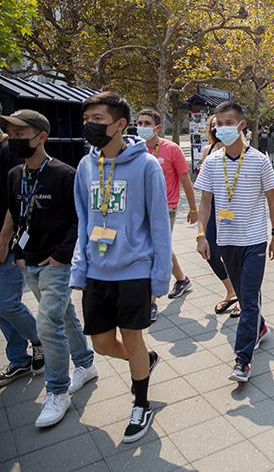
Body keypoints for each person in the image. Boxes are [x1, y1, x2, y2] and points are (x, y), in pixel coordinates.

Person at [71, 91, 171, 442]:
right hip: (96, 270)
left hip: (134, 269)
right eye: (88, 119)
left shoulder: (146, 166)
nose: (90, 125)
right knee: (100, 344)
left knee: (133, 337)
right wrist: (79, 269)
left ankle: (140, 402)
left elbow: (159, 224)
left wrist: (160, 277)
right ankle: (144, 359)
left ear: (119, 124)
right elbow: (83, 220)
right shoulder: (86, 166)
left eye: (98, 119)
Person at [4, 109, 96, 428]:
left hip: (57, 262)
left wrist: (60, 255)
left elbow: (79, 219)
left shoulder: (64, 174)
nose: (15, 140)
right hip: (29, 260)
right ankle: (85, 362)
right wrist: (18, 251)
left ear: (41, 137)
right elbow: (17, 217)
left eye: (21, 134)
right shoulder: (16, 174)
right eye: (12, 135)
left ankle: (57, 390)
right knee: (61, 314)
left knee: (46, 324)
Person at [195, 101, 274, 382]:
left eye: (229, 123)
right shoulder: (211, 161)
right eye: (219, 124)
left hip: (255, 241)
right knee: (245, 295)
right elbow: (205, 202)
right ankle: (261, 328)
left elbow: (272, 199)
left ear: (242, 125)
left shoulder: (259, 160)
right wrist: (201, 234)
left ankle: (242, 361)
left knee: (248, 301)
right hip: (226, 240)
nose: (223, 129)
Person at [136, 109, 198, 322]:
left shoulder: (172, 149)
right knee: (160, 249)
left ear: (157, 127)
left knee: (153, 252)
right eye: (139, 122)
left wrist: (193, 209)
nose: (142, 126)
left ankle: (150, 301)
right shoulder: (134, 149)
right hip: (139, 209)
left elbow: (186, 180)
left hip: (166, 208)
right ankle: (181, 279)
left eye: (146, 123)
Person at [0, 107, 44, 388]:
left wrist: (5, 238)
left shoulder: (8, 151)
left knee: (6, 302)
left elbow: (16, 198)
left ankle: (41, 339)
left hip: (7, 240)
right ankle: (18, 358)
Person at [199, 116, 239, 317]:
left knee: (234, 253)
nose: (218, 129)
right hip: (214, 207)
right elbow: (205, 183)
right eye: (215, 125)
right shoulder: (208, 150)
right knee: (211, 252)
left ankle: (242, 295)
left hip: (234, 207)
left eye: (223, 124)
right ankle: (231, 290)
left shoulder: (241, 149)